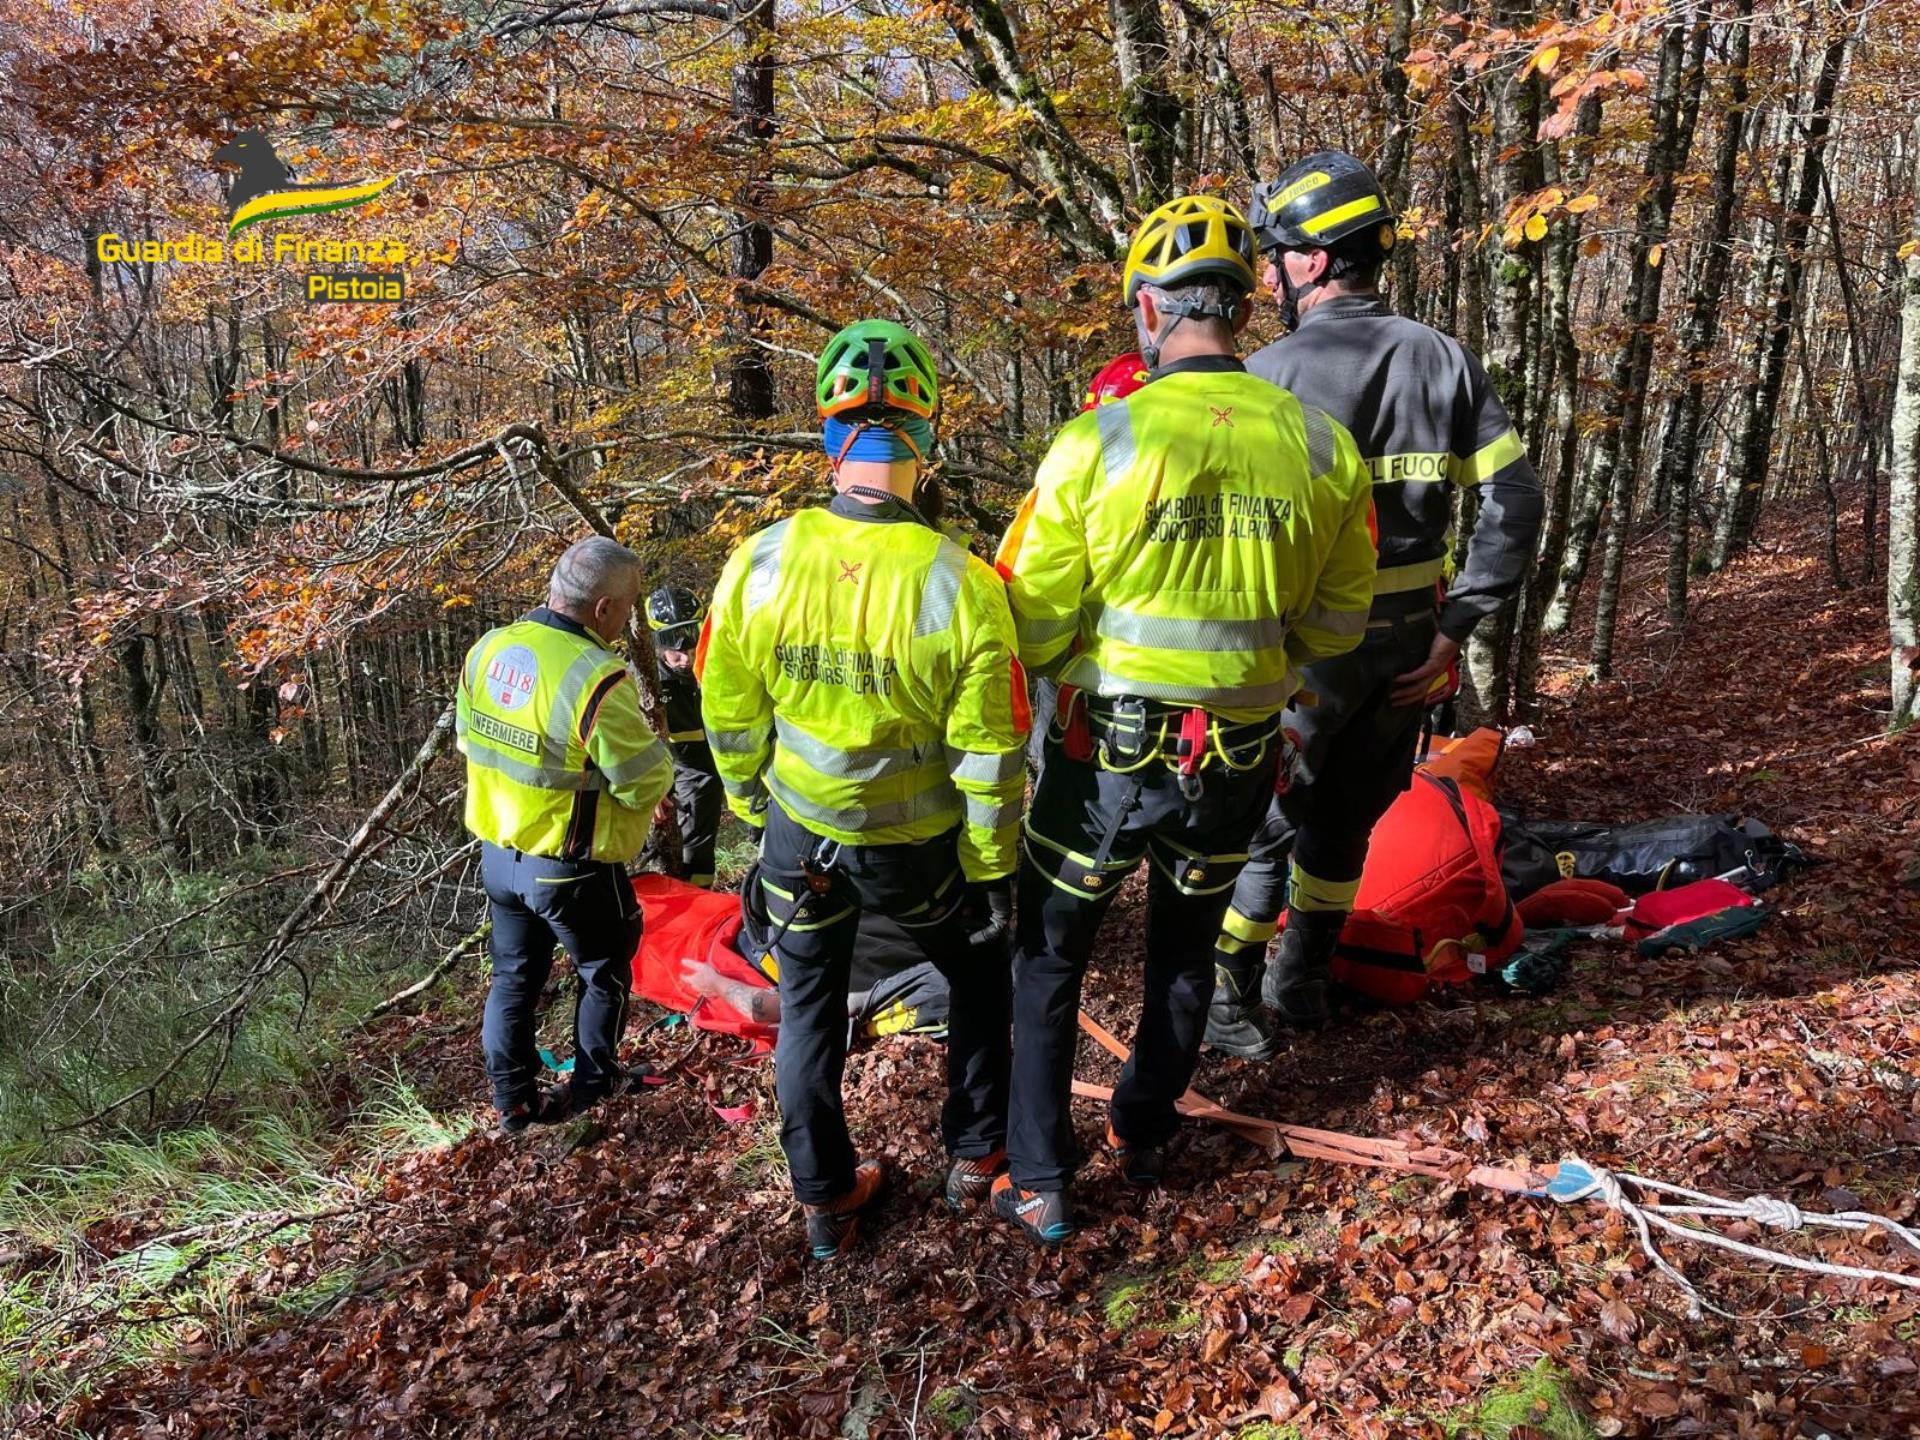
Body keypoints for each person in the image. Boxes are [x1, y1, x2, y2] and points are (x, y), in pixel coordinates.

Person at [991, 195, 1378, 1244]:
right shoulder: (1320, 443)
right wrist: (1257, 666)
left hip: (1101, 754)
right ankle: (1146, 1129)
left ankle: (1039, 1174)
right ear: (1245, 312)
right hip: (1239, 756)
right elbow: (1341, 625)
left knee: (1051, 955)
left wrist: (1089, 661)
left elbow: (1023, 614)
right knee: (1184, 948)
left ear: (1150, 311)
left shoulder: (1096, 440)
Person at [697, 318, 1029, 1260]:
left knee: (806, 1009)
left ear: (828, 438)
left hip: (801, 840)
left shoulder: (759, 561)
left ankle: (827, 1198)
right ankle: (976, 1157)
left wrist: (755, 809)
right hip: (919, 850)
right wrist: (991, 867)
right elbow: (993, 753)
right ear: (924, 440)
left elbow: (727, 707)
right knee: (976, 978)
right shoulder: (961, 581)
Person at [1204, 152, 1545, 1059]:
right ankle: (1302, 983)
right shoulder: (1443, 360)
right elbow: (1515, 501)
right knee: (1350, 815)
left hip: (1304, 654)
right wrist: (1454, 627)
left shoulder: (1262, 379)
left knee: (1265, 821)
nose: (1270, 273)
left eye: (1276, 254)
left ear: (1313, 261)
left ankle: (1230, 991)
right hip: (1406, 650)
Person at [455, 537, 676, 1132]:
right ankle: (592, 1092)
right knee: (602, 972)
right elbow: (643, 779)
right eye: (627, 610)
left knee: (514, 977)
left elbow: (471, 744)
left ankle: (514, 1104)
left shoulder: (488, 650)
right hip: (571, 864)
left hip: (499, 856)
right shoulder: (595, 677)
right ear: (603, 609)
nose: (627, 621)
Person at [646, 585, 723, 888]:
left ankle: (703, 895)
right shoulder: (646, 683)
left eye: (691, 649)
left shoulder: (718, 661)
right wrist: (650, 785)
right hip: (684, 767)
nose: (686, 660)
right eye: (675, 652)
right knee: (690, 847)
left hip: (721, 760)